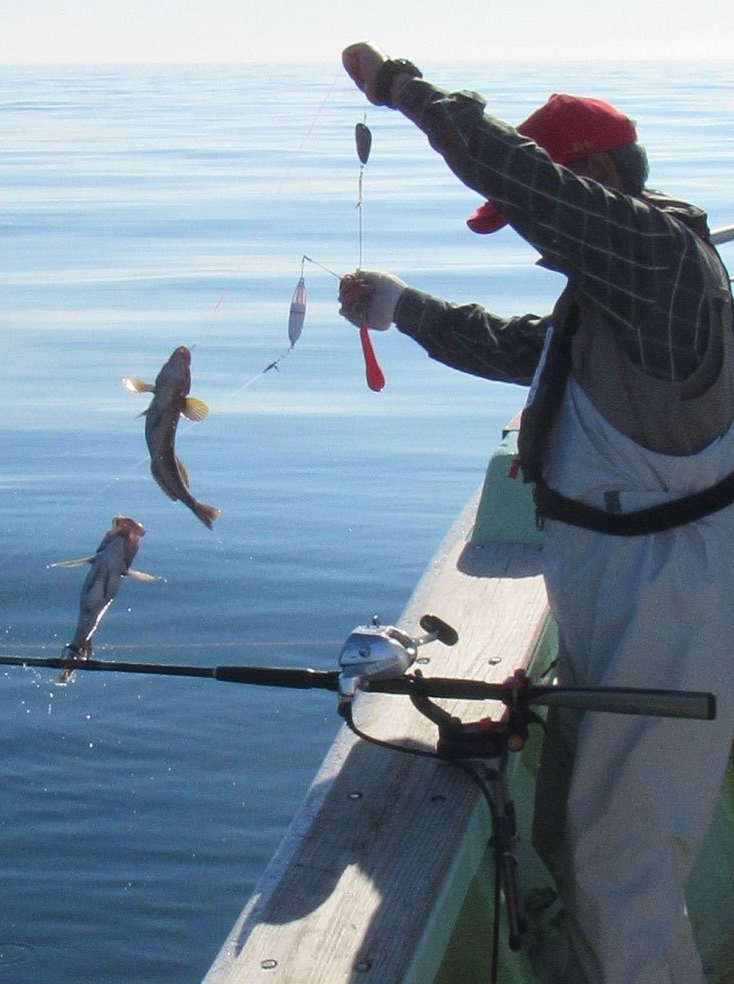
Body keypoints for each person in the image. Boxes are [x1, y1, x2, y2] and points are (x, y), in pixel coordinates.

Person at [338, 42, 733, 984]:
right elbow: (534, 352)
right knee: (592, 831)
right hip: (632, 595)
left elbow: (510, 167)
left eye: (530, 209)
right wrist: (405, 309)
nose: (528, 227)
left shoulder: (657, 260)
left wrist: (403, 91)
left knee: (619, 865)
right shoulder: (623, 292)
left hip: (669, 604)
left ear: (589, 178)